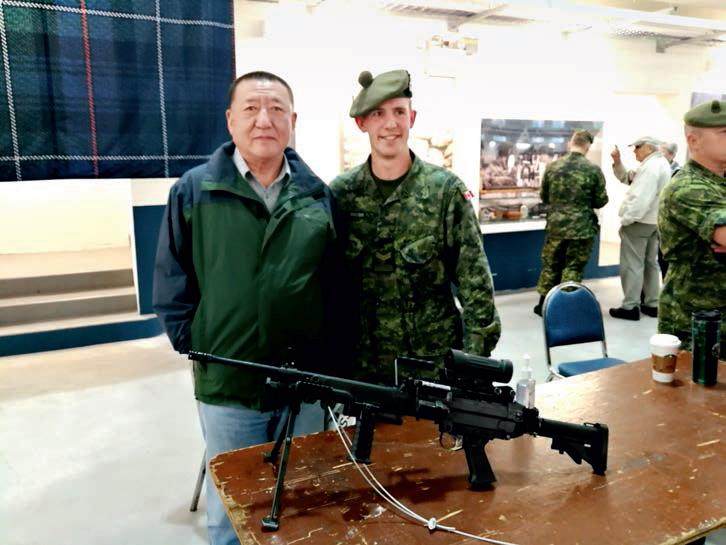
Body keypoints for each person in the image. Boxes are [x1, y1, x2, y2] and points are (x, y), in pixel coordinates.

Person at [153, 71, 342, 545]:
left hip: (304, 383)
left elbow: (336, 285)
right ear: (230, 120)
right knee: (234, 505)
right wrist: (198, 343)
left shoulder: (317, 195)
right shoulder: (195, 191)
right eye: (252, 109)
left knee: (302, 499)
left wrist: (328, 360)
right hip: (228, 382)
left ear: (293, 121)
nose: (264, 120)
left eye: (277, 110)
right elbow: (172, 277)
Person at [330, 69, 500, 383]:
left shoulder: (445, 192)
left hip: (432, 370)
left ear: (412, 118)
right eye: (378, 113)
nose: (390, 124)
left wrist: (473, 369)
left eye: (399, 112)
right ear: (361, 123)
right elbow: (328, 288)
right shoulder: (342, 194)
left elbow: (476, 288)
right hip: (362, 371)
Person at [658, 100, 726, 355]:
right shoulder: (688, 187)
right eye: (724, 133)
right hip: (697, 321)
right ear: (693, 141)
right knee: (697, 382)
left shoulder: (718, 183)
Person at [533, 130, 608, 316]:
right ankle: (564, 306)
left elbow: (544, 196)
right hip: (582, 228)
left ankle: (543, 304)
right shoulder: (593, 170)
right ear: (588, 146)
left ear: (571, 143)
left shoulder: (553, 167)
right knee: (573, 266)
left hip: (556, 226)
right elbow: (600, 200)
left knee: (551, 263)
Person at [609, 136, 671, 320]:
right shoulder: (659, 164)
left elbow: (641, 198)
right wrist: (617, 161)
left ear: (649, 148)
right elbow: (627, 177)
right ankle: (652, 304)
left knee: (632, 264)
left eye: (637, 147)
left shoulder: (650, 168)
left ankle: (630, 307)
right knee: (650, 263)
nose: (634, 150)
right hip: (654, 222)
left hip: (640, 222)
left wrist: (627, 220)